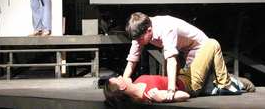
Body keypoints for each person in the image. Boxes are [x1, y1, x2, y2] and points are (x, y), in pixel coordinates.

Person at [104, 39, 255, 107]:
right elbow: (185, 95)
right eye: (117, 80)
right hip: (191, 85)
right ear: (122, 87)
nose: (119, 76)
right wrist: (163, 98)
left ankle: (222, 80)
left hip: (181, 77)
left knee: (170, 48)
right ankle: (226, 84)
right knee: (212, 44)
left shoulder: (138, 82)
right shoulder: (149, 94)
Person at [123, 12, 209, 102]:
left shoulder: (165, 28)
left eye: (141, 39)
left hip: (198, 47)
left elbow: (172, 61)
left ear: (149, 30)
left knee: (196, 82)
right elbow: (131, 61)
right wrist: (121, 86)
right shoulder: (139, 32)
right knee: (168, 54)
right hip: (181, 50)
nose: (139, 42)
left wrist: (171, 91)